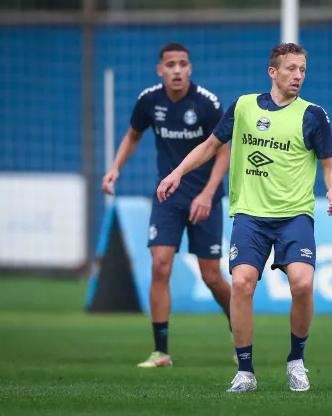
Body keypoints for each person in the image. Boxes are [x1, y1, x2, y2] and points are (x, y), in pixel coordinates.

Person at [156, 43, 332, 392]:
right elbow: (210, 146)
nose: (298, 75)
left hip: (295, 215)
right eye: (291, 69)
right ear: (272, 72)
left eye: (302, 69)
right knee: (242, 283)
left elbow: (330, 167)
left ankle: (296, 361)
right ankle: (245, 371)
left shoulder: (313, 115)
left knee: (302, 284)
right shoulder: (243, 107)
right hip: (250, 215)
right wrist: (178, 172)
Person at [102, 42, 235, 368]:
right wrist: (115, 166)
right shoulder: (149, 100)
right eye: (170, 64)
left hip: (204, 197)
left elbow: (223, 150)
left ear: (190, 69)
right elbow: (133, 135)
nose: (177, 70)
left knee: (211, 276)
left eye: (183, 64)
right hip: (168, 196)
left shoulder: (206, 104)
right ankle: (161, 352)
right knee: (160, 266)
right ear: (160, 70)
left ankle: (240, 331)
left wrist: (207, 193)